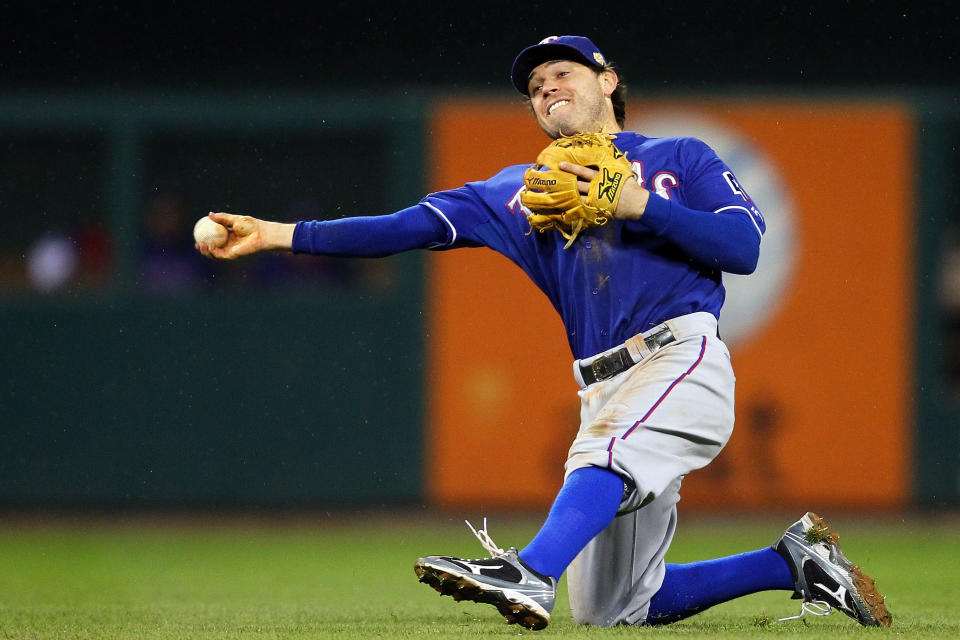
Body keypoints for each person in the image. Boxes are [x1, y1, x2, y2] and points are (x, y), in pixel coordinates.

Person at [196, 35, 890, 630]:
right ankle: (791, 563)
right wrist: (279, 234)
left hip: (680, 358)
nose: (547, 85)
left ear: (608, 82)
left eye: (564, 72)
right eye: (535, 84)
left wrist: (637, 203)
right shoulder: (517, 190)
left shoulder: (678, 157)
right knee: (617, 609)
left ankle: (528, 571)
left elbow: (742, 248)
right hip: (602, 383)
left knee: (605, 456)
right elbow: (404, 227)